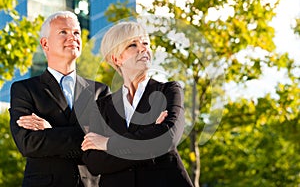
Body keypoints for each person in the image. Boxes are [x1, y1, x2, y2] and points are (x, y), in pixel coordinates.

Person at [81, 21, 194, 187]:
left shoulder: (169, 91)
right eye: (132, 45)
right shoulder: (102, 107)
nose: (143, 49)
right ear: (116, 58)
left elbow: (167, 138)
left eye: (146, 43)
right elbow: (95, 163)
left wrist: (108, 143)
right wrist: (150, 139)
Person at [9, 11, 110, 187]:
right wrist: (87, 135)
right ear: (45, 43)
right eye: (63, 32)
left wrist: (50, 131)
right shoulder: (24, 89)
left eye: (76, 33)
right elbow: (28, 144)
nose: (72, 37)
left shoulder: (99, 91)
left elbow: (107, 143)